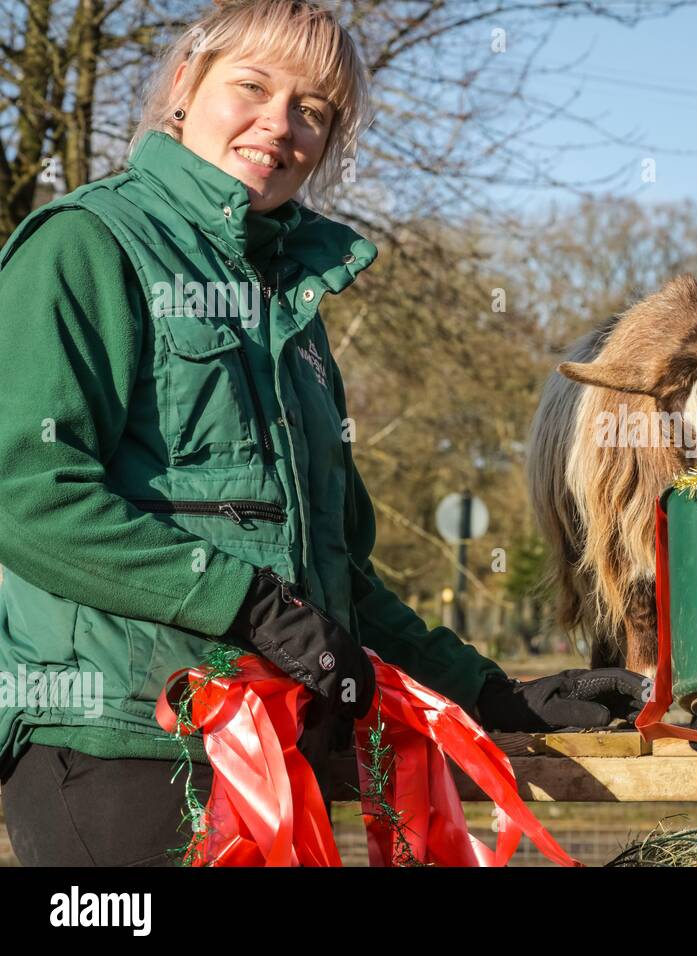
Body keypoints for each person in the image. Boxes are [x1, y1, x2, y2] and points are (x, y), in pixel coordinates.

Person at [0, 0, 644, 867]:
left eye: (314, 110)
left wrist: (491, 696)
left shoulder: (292, 317)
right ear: (187, 86)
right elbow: (26, 492)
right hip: (118, 747)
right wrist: (250, 605)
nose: (281, 124)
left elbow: (338, 582)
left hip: (279, 752)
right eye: (253, 86)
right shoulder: (86, 245)